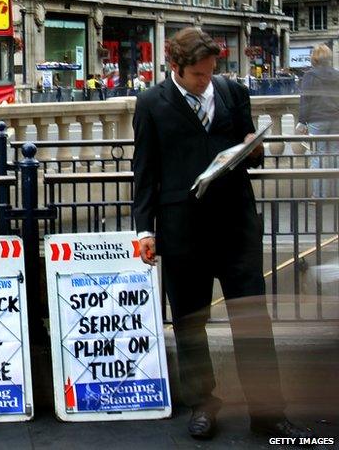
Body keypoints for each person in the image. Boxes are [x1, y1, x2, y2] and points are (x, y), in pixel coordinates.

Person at [132, 27, 312, 442]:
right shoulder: (151, 103)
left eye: (211, 72)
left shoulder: (231, 92)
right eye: (198, 75)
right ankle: (203, 404)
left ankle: (267, 413)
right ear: (175, 67)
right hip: (182, 231)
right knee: (190, 323)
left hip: (235, 226)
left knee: (253, 322)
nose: (206, 80)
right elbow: (146, 173)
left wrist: (255, 147)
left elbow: (250, 153)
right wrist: (145, 231)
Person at [296, 43, 339, 198]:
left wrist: (302, 121)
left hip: (317, 120)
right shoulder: (337, 74)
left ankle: (319, 195)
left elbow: (306, 99)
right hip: (336, 119)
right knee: (336, 155)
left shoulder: (310, 76)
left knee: (318, 156)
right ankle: (335, 194)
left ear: (314, 58)